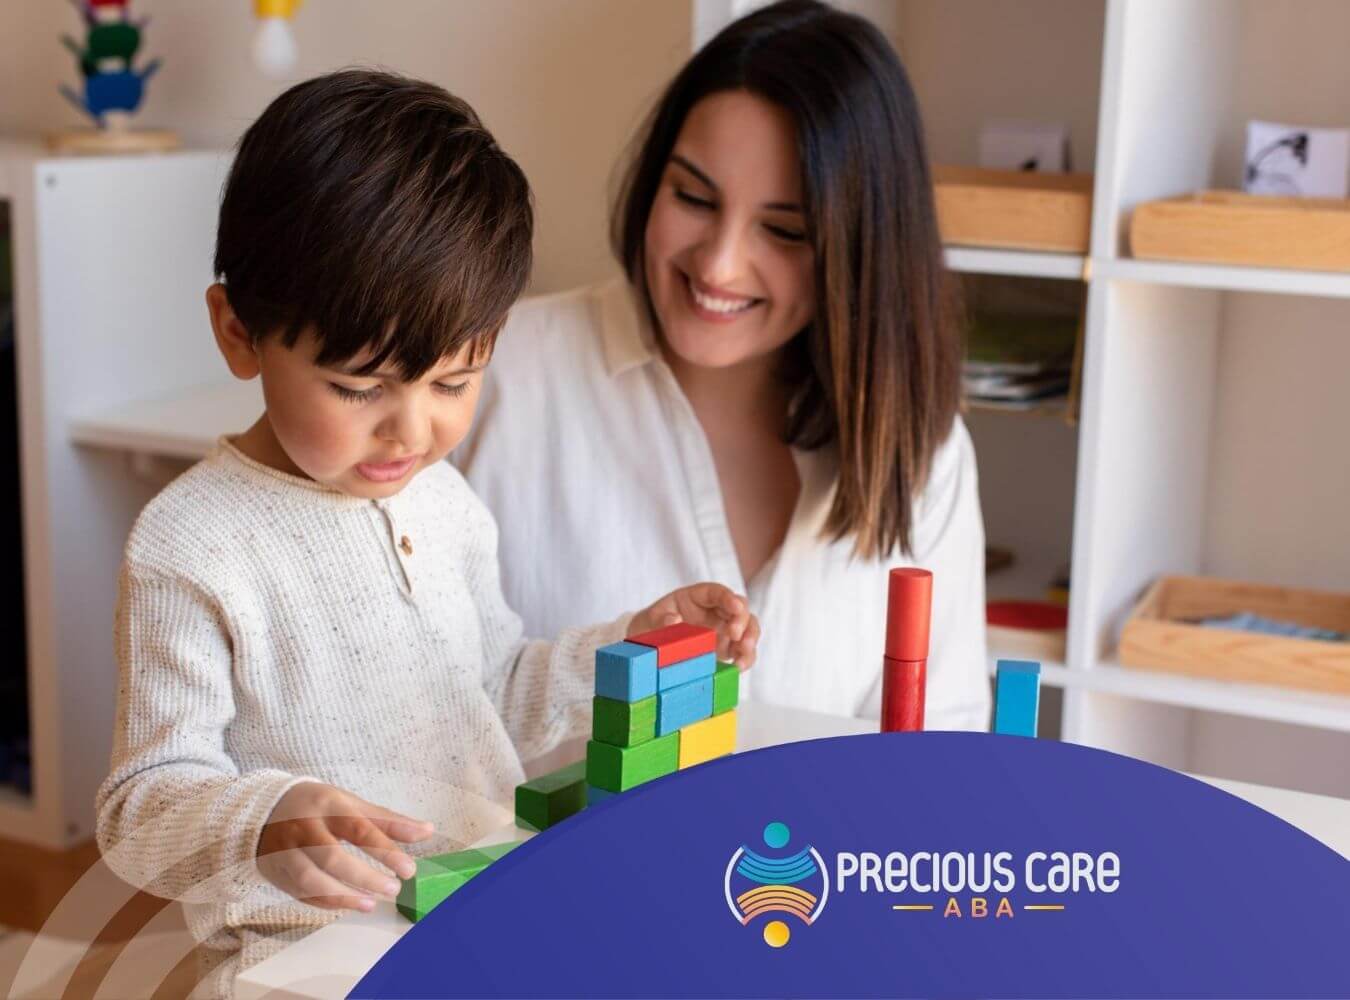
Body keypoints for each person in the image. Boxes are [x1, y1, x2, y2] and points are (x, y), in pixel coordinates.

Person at [94, 69, 757, 998]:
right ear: (239, 332)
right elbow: (140, 806)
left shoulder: (444, 504)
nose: (412, 432)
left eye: (453, 381)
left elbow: (492, 694)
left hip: (477, 922)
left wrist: (630, 644)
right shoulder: (192, 545)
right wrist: (266, 818)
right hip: (299, 967)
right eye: (360, 387)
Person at [456, 0, 989, 729]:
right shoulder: (489, 374)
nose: (720, 264)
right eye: (694, 197)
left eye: (784, 229)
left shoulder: (925, 452)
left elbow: (943, 743)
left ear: (861, 250)